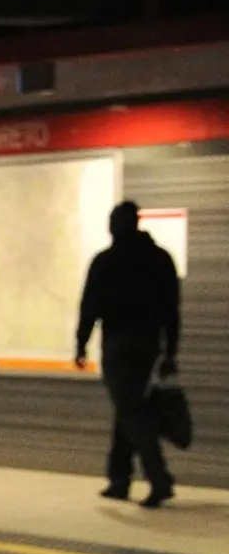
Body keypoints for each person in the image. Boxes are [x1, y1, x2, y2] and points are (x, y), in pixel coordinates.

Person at [75, 201, 183, 507]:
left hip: (118, 345)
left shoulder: (107, 261)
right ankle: (119, 479)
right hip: (149, 345)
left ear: (116, 225)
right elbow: (172, 310)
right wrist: (171, 351)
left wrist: (81, 344)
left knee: (132, 410)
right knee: (128, 405)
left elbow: (90, 306)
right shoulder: (161, 259)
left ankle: (159, 479)